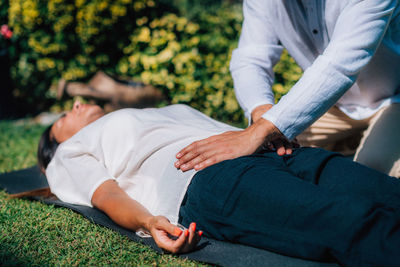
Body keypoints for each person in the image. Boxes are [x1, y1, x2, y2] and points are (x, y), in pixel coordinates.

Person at [36, 101, 400, 266]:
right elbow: (106, 193)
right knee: (352, 220)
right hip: (209, 178)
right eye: (65, 116)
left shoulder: (152, 111)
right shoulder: (68, 153)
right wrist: (148, 223)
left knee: (384, 192)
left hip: (272, 151)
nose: (77, 104)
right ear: (56, 140)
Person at [174, 0, 400, 177]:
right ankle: (347, 145)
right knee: (268, 154)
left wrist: (262, 130)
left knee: (371, 172)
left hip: (395, 100)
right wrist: (261, 112)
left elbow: (340, 64)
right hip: (334, 104)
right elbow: (252, 58)